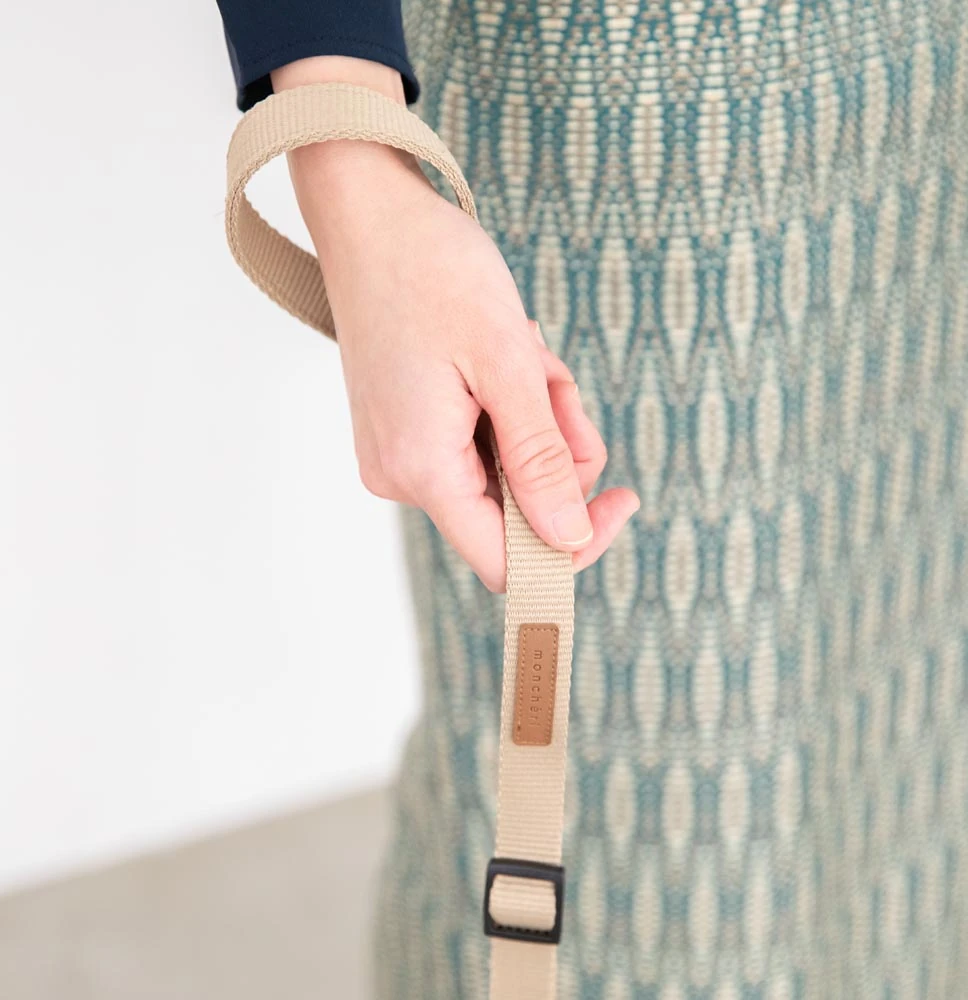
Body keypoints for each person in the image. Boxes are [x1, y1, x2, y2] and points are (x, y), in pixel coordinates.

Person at [214, 2, 968, 997]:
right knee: (668, 833)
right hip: (647, 104)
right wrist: (351, 158)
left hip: (931, 83)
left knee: (909, 728)